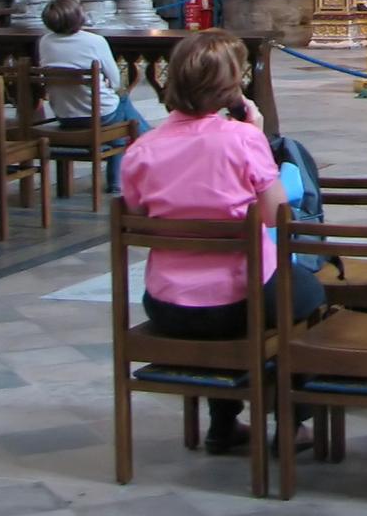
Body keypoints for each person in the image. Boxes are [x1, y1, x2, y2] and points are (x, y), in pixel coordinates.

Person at [119, 30, 324, 456]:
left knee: (266, 298)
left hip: (167, 304)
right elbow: (276, 215)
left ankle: (224, 422)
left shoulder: (141, 150)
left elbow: (138, 216)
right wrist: (256, 137)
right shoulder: (241, 139)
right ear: (231, 88)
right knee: (309, 296)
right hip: (240, 301)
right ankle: (292, 421)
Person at [37, 0, 148, 195]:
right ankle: (148, 146)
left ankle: (151, 143)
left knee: (121, 113)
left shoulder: (45, 42)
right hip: (101, 116)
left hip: (65, 116)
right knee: (123, 103)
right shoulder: (94, 41)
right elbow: (115, 81)